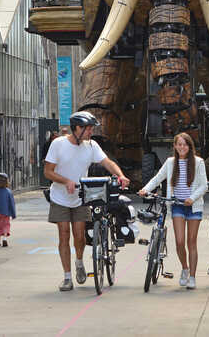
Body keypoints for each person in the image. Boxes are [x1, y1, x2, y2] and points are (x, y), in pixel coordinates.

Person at [44, 111, 129, 292]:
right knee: (64, 234)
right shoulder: (58, 144)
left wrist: (120, 175)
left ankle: (79, 262)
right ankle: (67, 277)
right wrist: (66, 181)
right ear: (77, 128)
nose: (91, 132)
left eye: (91, 128)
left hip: (81, 196)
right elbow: (48, 172)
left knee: (80, 236)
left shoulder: (91, 145)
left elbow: (107, 162)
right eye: (88, 129)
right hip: (60, 197)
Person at [139, 132, 207, 290]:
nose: (182, 147)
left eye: (185, 144)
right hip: (177, 205)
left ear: (189, 147)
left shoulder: (198, 162)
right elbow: (158, 178)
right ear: (175, 146)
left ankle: (192, 277)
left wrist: (192, 197)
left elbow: (204, 186)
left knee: (191, 242)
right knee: (179, 241)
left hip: (193, 206)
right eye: (179, 144)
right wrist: (145, 189)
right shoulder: (170, 162)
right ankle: (185, 268)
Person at [0, 172, 16, 247]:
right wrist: (13, 214)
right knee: (6, 225)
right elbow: (12, 203)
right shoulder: (8, 192)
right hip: (6, 212)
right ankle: (4, 238)